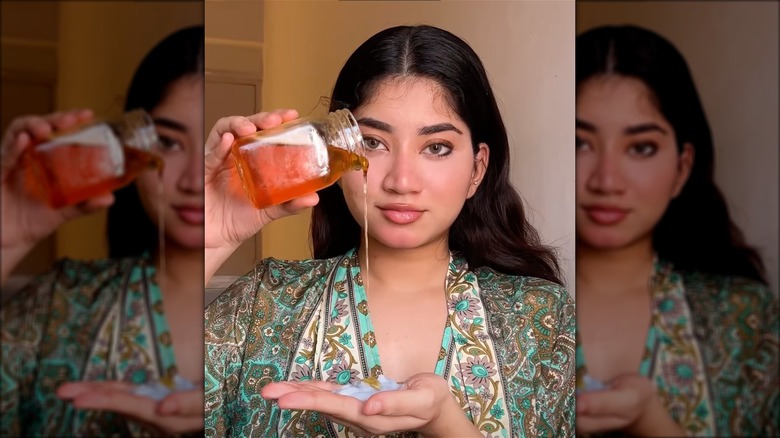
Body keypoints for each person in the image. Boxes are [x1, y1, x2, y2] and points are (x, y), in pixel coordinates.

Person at [204, 24, 575, 437]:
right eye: (373, 143)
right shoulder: (262, 303)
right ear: (337, 155)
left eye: (436, 147)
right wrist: (206, 240)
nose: (401, 181)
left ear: (477, 169)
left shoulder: (543, 318)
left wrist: (446, 426)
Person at [574, 25, 779, 436]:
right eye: (580, 143)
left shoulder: (743, 317)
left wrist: (652, 422)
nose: (607, 181)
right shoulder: (505, 307)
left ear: (682, 167)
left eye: (641, 147)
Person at [1, 25, 205, 436]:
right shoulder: (61, 301)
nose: (194, 181)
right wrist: (8, 234)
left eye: (211, 150)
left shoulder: (274, 305)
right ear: (134, 151)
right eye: (169, 142)